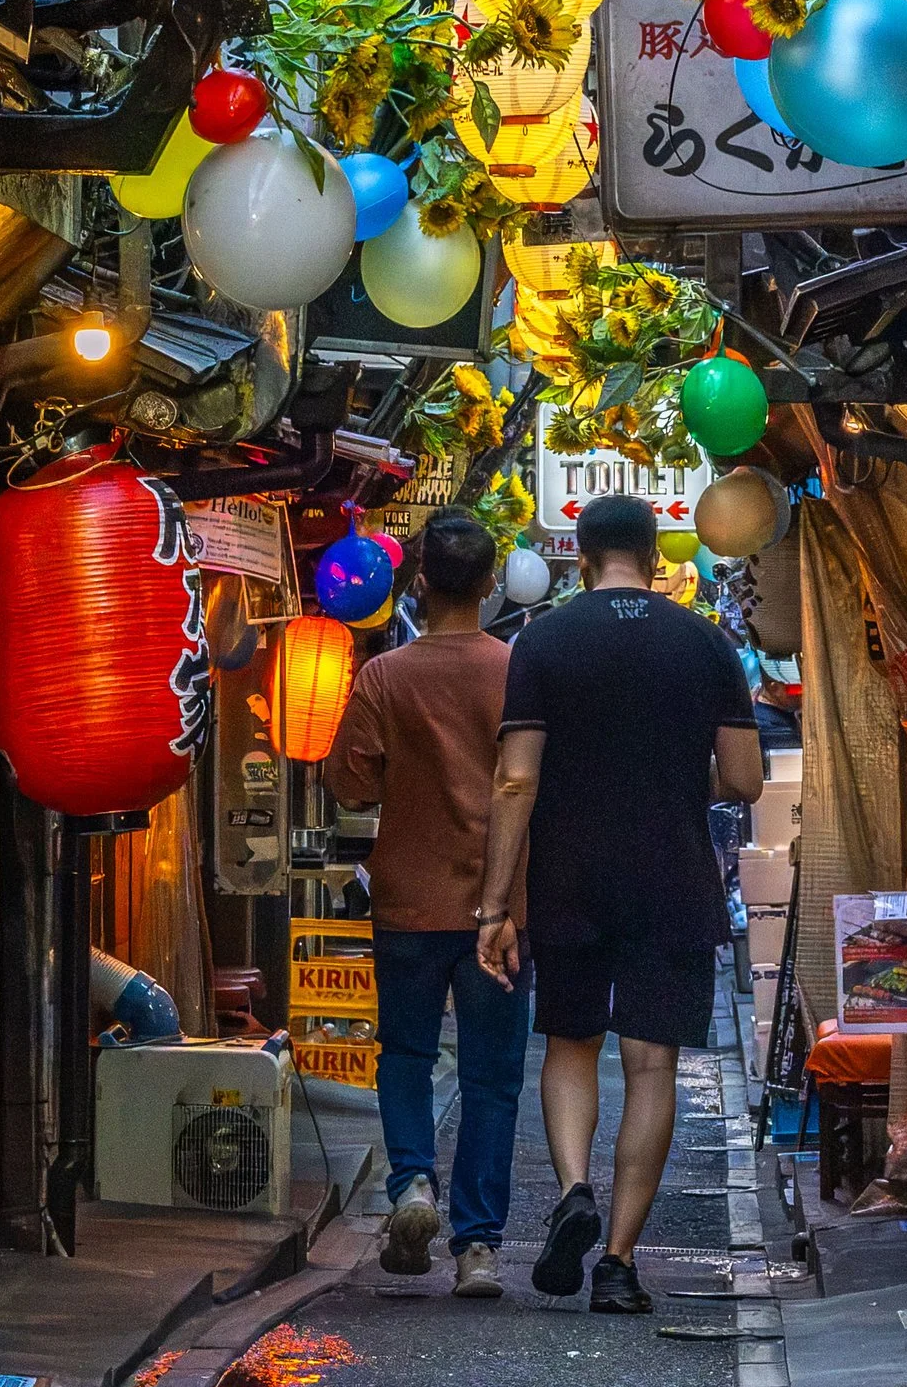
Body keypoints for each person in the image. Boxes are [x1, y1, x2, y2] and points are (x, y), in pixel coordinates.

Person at [477, 490, 764, 1313]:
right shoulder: (704, 643)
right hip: (673, 871)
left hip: (567, 870)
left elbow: (515, 778)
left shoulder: (545, 640)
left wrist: (495, 907)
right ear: (654, 554)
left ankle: (573, 1188)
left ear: (580, 552)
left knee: (570, 1042)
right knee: (652, 1063)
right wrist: (679, 783)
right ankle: (620, 1263)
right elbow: (743, 780)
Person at [325, 507, 531, 1298]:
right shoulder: (517, 669)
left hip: (407, 900)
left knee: (406, 1055)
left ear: (418, 582)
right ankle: (477, 1246)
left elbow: (350, 781)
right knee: (491, 1077)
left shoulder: (385, 677)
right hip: (501, 907)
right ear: (488, 586)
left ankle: (412, 1183)